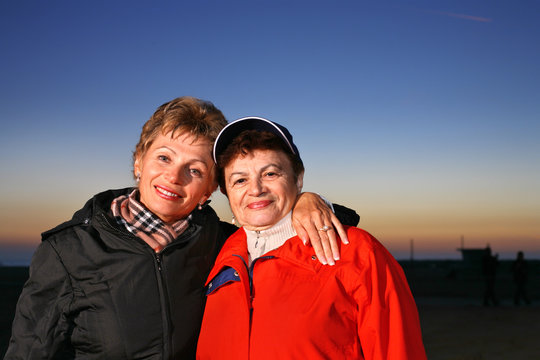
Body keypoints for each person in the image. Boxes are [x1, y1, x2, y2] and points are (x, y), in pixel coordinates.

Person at [4, 98, 358, 359]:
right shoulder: (68, 249)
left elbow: (287, 228)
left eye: (195, 169)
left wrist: (308, 201)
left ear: (209, 190)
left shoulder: (224, 243)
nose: (174, 177)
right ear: (138, 162)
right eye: (164, 157)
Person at [197, 117, 427, 359]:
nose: (255, 189)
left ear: (298, 178)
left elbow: (397, 350)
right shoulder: (222, 255)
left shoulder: (357, 251)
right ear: (225, 190)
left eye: (271, 173)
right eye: (240, 180)